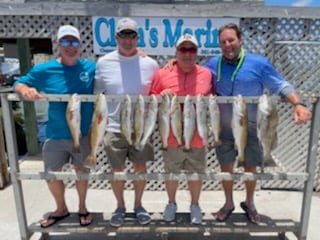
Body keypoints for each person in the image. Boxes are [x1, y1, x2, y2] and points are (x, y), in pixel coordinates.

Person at [203, 23, 312, 224]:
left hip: (252, 128)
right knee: (225, 167)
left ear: (241, 40)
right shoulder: (212, 63)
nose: (228, 45)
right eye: (223, 42)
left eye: (231, 40)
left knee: (250, 166)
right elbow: (193, 74)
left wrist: (299, 103)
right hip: (224, 129)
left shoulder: (259, 63)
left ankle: (250, 202)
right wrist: (172, 63)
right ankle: (228, 203)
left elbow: (281, 85)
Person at [14, 25, 95, 228]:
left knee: (82, 172)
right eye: (65, 42)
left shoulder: (90, 68)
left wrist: (139, 51)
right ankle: (61, 208)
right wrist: (26, 90)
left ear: (80, 45)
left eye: (74, 42)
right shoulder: (44, 69)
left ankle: (83, 207)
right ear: (58, 44)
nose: (70, 46)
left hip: (82, 133)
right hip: (55, 134)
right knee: (51, 174)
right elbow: (19, 83)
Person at [94, 17, 159, 227]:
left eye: (132, 35)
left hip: (142, 128)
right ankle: (120, 206)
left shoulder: (150, 63)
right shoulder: (103, 63)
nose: (128, 39)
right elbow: (96, 94)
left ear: (138, 38)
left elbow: (161, 84)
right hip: (113, 127)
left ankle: (138, 205)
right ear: (116, 37)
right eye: (123, 35)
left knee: (140, 168)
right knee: (117, 171)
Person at [151, 33, 212, 224]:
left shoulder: (207, 73)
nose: (187, 54)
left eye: (191, 49)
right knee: (171, 172)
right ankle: (171, 203)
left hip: (197, 136)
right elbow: (152, 95)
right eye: (183, 49)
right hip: (171, 136)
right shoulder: (162, 73)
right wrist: (161, 94)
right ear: (176, 52)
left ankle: (195, 205)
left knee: (196, 173)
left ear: (197, 52)